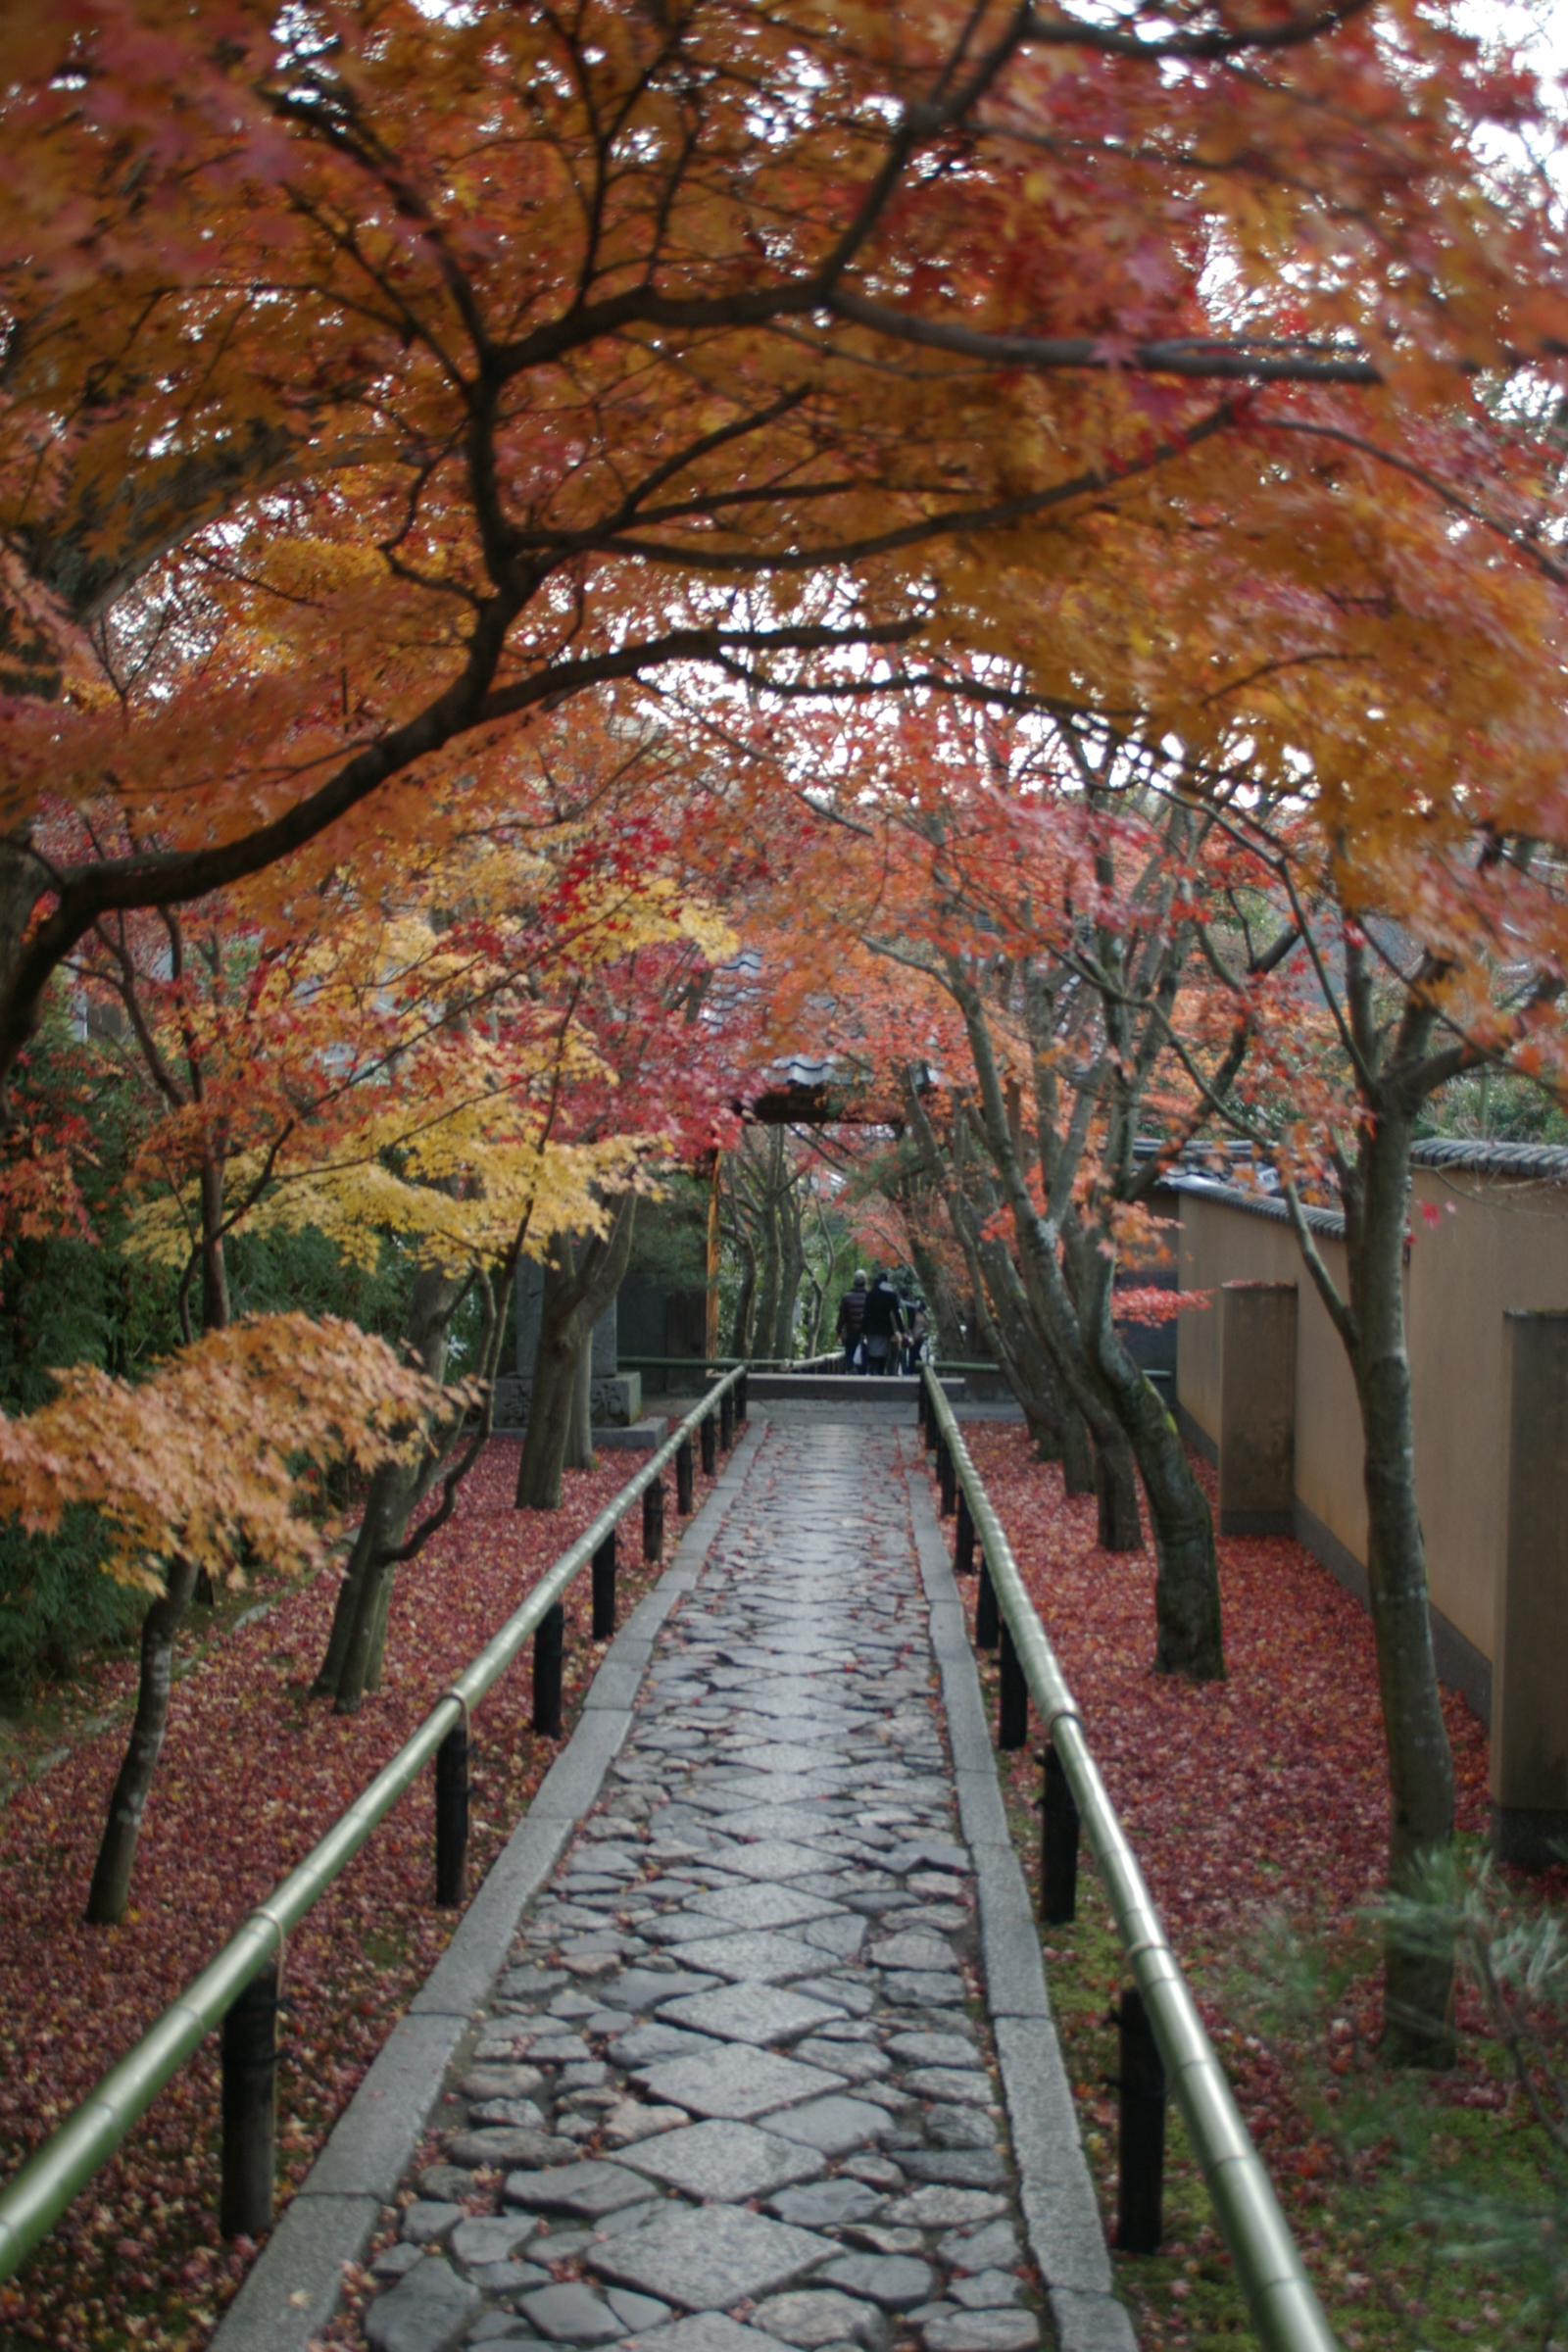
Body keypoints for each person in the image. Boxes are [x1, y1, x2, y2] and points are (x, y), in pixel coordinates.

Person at [860, 1268, 906, 1375]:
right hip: (885, 1328)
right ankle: (880, 1371)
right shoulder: (891, 1295)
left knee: (872, 1351)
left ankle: (872, 1370)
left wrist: (862, 1329)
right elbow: (896, 1313)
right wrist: (902, 1330)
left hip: (871, 1328)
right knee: (883, 1353)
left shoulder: (870, 1294)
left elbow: (866, 1313)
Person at [836, 1270, 868, 1370]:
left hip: (851, 1333)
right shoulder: (869, 1296)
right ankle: (862, 1381)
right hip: (866, 1334)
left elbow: (842, 1317)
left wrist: (839, 1331)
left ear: (854, 1281)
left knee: (849, 1356)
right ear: (865, 1281)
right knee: (864, 1359)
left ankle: (850, 1379)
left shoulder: (847, 1297)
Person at [905, 1298, 929, 1374]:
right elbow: (926, 1327)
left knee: (913, 1353)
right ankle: (918, 1368)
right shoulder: (923, 1316)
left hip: (914, 1336)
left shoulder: (915, 1315)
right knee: (915, 1352)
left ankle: (914, 1368)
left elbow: (910, 1325)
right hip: (918, 1337)